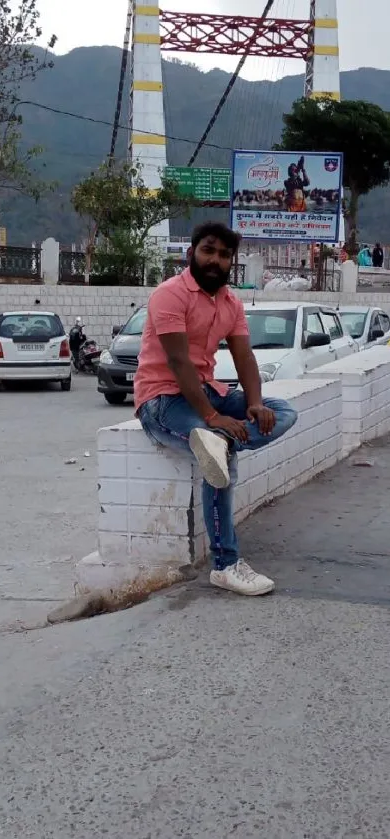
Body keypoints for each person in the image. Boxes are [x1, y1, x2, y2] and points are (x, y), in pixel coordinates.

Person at [134, 222, 298, 597]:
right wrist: (211, 417)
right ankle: (225, 565)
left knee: (282, 411)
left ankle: (219, 444)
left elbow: (244, 357)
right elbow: (178, 362)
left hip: (209, 391)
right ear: (191, 253)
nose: (216, 260)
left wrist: (254, 404)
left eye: (224, 255)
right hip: (162, 400)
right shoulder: (169, 295)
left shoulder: (231, 303)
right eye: (209, 250)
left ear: (231, 263)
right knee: (218, 455)